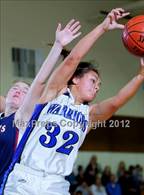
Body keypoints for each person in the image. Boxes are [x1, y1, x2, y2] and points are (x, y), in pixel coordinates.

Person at [4, 8, 144, 195]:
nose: (97, 87)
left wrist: (141, 75)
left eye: (99, 85)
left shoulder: (89, 115)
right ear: (75, 79)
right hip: (24, 178)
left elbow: (118, 101)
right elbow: (73, 60)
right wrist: (102, 28)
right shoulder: (52, 96)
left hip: (56, 185)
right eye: (93, 80)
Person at [0, 19, 81, 188]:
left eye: (24, 91)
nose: (18, 91)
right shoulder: (2, 119)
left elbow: (40, 81)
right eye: (15, 87)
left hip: (11, 187)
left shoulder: (21, 118)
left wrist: (58, 46)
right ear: (6, 95)